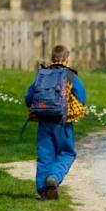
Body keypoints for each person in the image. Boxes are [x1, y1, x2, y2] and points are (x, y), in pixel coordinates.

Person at [25, 45, 87, 200]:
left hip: (44, 122)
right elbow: (82, 98)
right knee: (67, 153)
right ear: (67, 59)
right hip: (63, 123)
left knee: (45, 155)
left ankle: (43, 190)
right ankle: (54, 176)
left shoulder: (42, 74)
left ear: (51, 59)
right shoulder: (71, 76)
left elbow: (28, 98)